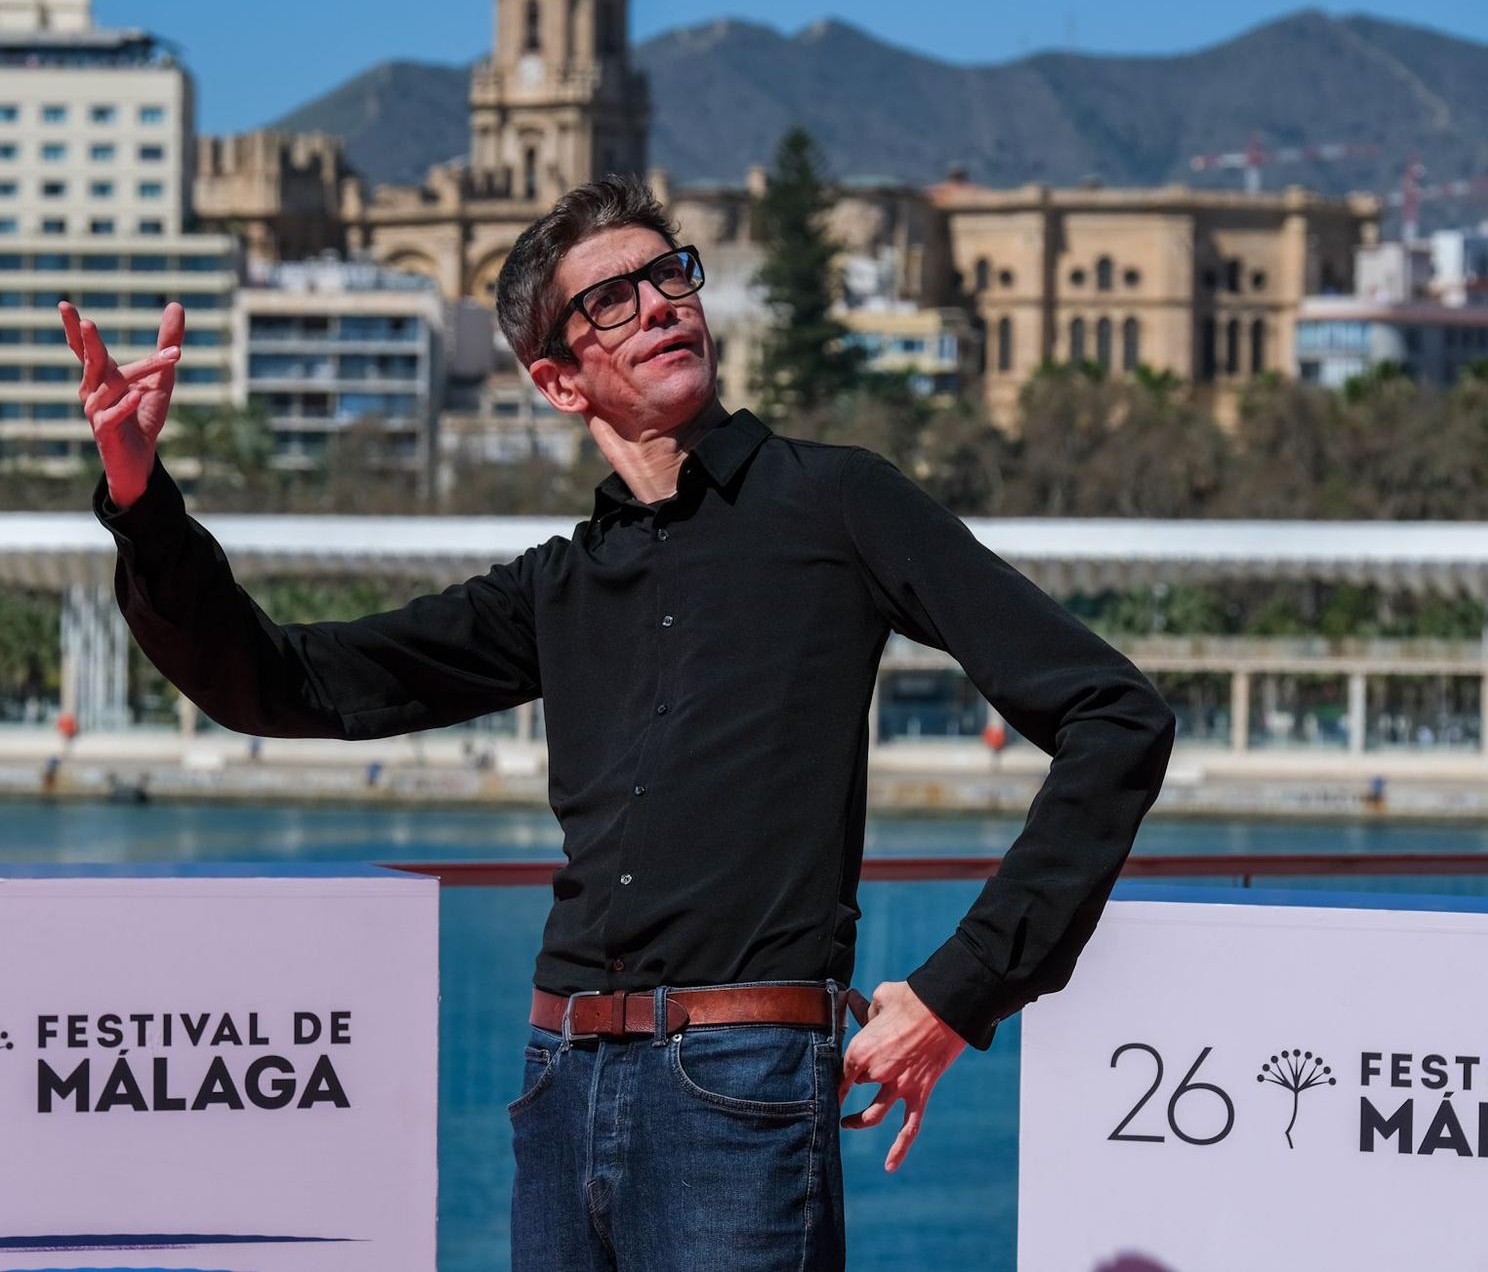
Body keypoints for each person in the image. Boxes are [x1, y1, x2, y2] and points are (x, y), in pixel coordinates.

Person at [67, 175, 1175, 1269]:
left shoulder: (838, 506)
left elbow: (1113, 716)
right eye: (610, 298)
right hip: (557, 1084)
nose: (657, 304)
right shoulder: (556, 586)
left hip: (743, 1085)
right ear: (557, 381)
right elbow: (283, 682)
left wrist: (957, 990)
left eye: (667, 275)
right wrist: (139, 500)